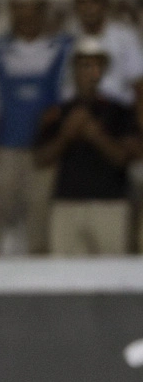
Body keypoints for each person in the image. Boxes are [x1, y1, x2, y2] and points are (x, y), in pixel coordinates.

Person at [0, 0, 74, 254]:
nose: (26, 16)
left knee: (39, 225)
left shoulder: (62, 48)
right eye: (19, 8)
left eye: (32, 8)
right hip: (7, 147)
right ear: (12, 11)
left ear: (42, 10)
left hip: (44, 152)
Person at [36, 37, 141, 255]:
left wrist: (94, 133)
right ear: (74, 70)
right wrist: (67, 134)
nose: (89, 71)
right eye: (83, 65)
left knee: (113, 275)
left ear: (103, 70)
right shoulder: (56, 113)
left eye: (95, 65)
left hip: (110, 204)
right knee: (66, 278)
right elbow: (41, 159)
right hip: (67, 203)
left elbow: (123, 158)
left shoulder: (120, 111)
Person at [68, 0, 143, 116]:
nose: (88, 8)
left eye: (94, 2)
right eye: (82, 3)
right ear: (75, 7)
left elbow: (139, 83)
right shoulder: (68, 39)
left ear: (105, 5)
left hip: (117, 111)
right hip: (77, 109)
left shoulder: (124, 37)